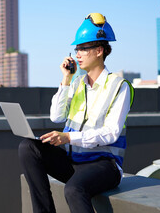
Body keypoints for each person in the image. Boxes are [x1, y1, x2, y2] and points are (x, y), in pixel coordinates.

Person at [18, 13, 134, 213]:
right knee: (28, 147)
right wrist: (66, 79)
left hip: (104, 166)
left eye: (82, 48)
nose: (77, 54)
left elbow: (111, 133)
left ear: (99, 50)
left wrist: (67, 137)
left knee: (74, 189)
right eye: (76, 49)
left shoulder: (119, 86)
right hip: (74, 163)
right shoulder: (77, 83)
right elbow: (56, 116)